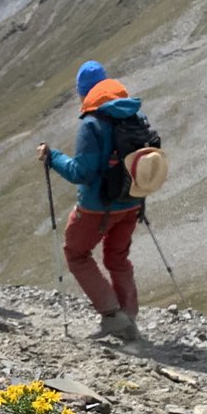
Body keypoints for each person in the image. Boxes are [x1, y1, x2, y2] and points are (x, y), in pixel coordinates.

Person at [38, 60, 145, 341]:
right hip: (132, 201)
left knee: (76, 254)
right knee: (117, 257)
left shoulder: (92, 124)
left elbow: (81, 172)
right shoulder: (133, 114)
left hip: (98, 206)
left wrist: (53, 157)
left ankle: (112, 316)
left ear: (83, 92)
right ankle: (128, 317)